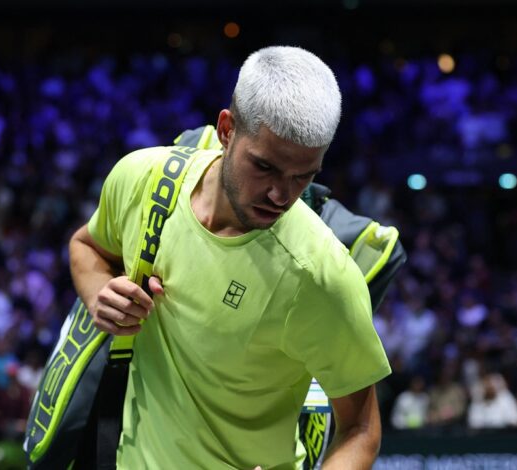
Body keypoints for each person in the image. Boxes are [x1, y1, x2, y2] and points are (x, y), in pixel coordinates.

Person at [68, 46, 391, 469]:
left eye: (303, 177)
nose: (282, 195)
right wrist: (99, 296)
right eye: (265, 167)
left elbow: (361, 430)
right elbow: (87, 246)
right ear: (226, 129)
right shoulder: (142, 179)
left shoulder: (320, 276)